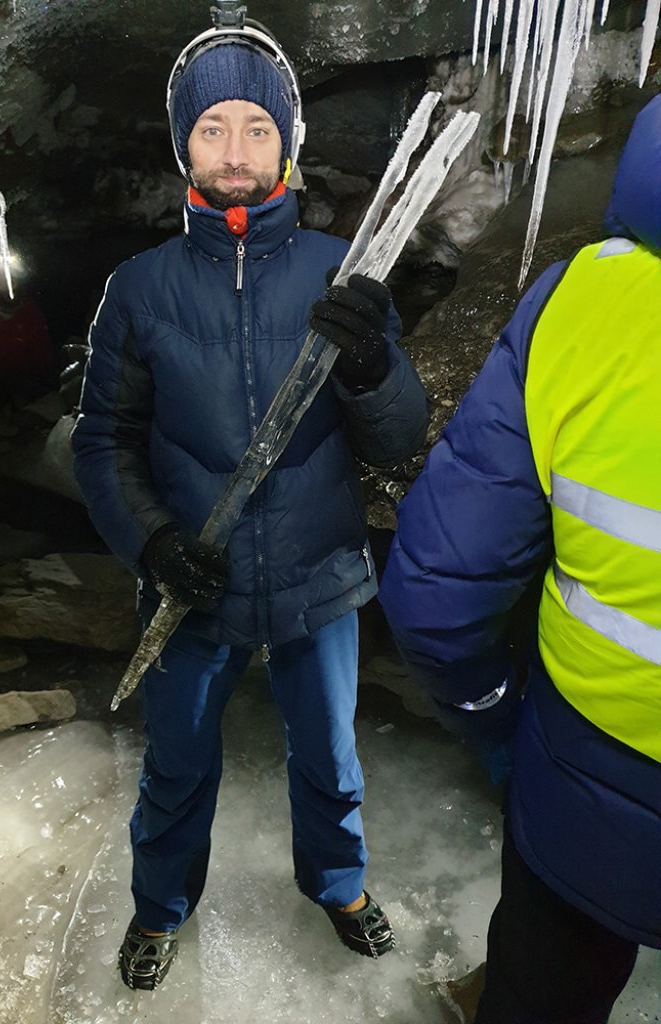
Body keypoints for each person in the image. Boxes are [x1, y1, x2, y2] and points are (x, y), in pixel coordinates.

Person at [71, 7, 429, 992]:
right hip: (193, 581)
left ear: (287, 145)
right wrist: (150, 542)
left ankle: (340, 882)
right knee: (178, 765)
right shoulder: (139, 289)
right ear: (184, 141)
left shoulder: (341, 272)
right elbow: (102, 441)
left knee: (329, 754)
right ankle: (161, 906)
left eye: (259, 128)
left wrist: (370, 365)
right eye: (215, 127)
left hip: (317, 571)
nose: (236, 151)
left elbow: (402, 438)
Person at [378, 92, 661, 1024]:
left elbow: (436, 590)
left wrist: (498, 727)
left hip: (584, 770)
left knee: (544, 985)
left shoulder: (586, 299)